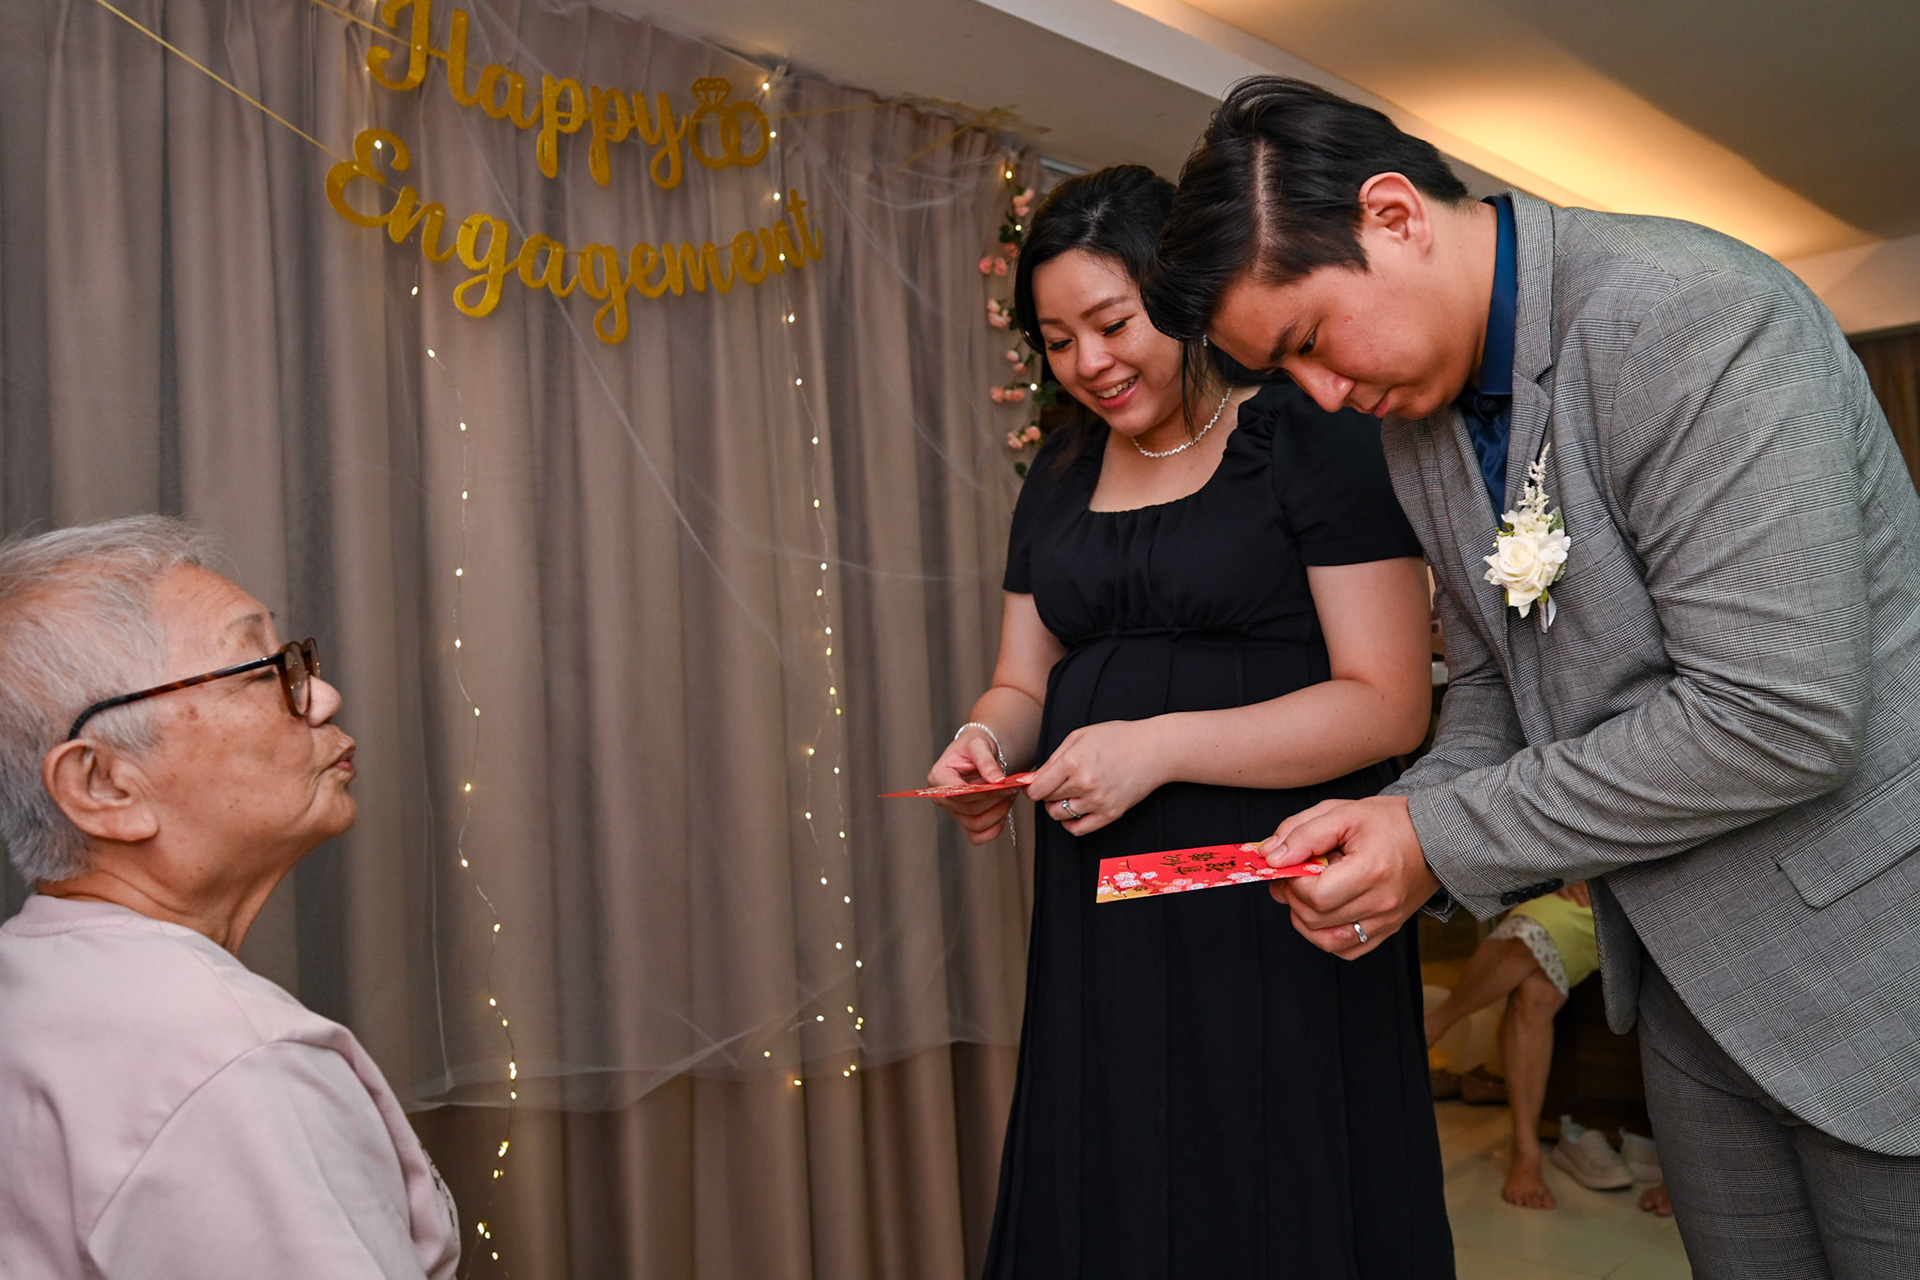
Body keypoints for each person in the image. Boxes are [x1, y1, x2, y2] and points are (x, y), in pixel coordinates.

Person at [1142, 76, 1920, 1277]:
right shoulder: (1416, 425)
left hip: (1873, 972)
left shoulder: (1684, 313)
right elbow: (1500, 687)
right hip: (1686, 998)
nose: (1325, 395)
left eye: (1309, 341)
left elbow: (1779, 715)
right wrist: (1399, 822)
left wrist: (1438, 834)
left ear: (1393, 215)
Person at [928, 164, 1450, 1278]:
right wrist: (985, 745)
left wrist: (1159, 745)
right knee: (1118, 1173)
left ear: (1182, 294)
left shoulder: (1309, 432)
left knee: (1266, 1180)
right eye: (1058, 341)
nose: (1089, 363)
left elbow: (1388, 701)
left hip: (1274, 896)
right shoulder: (1060, 468)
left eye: (1112, 324)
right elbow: (1022, 681)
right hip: (1104, 911)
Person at [0, 517, 460, 1280]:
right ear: (104, 785)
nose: (322, 697)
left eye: (295, 660)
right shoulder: (231, 1065)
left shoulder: (32, 986)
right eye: (259, 670)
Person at [1425, 882, 1618, 1208]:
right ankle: (1525, 1149)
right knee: (1534, 977)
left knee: (1536, 982)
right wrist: (1570, 870)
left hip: (1648, 896)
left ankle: (1435, 1024)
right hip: (1586, 882)